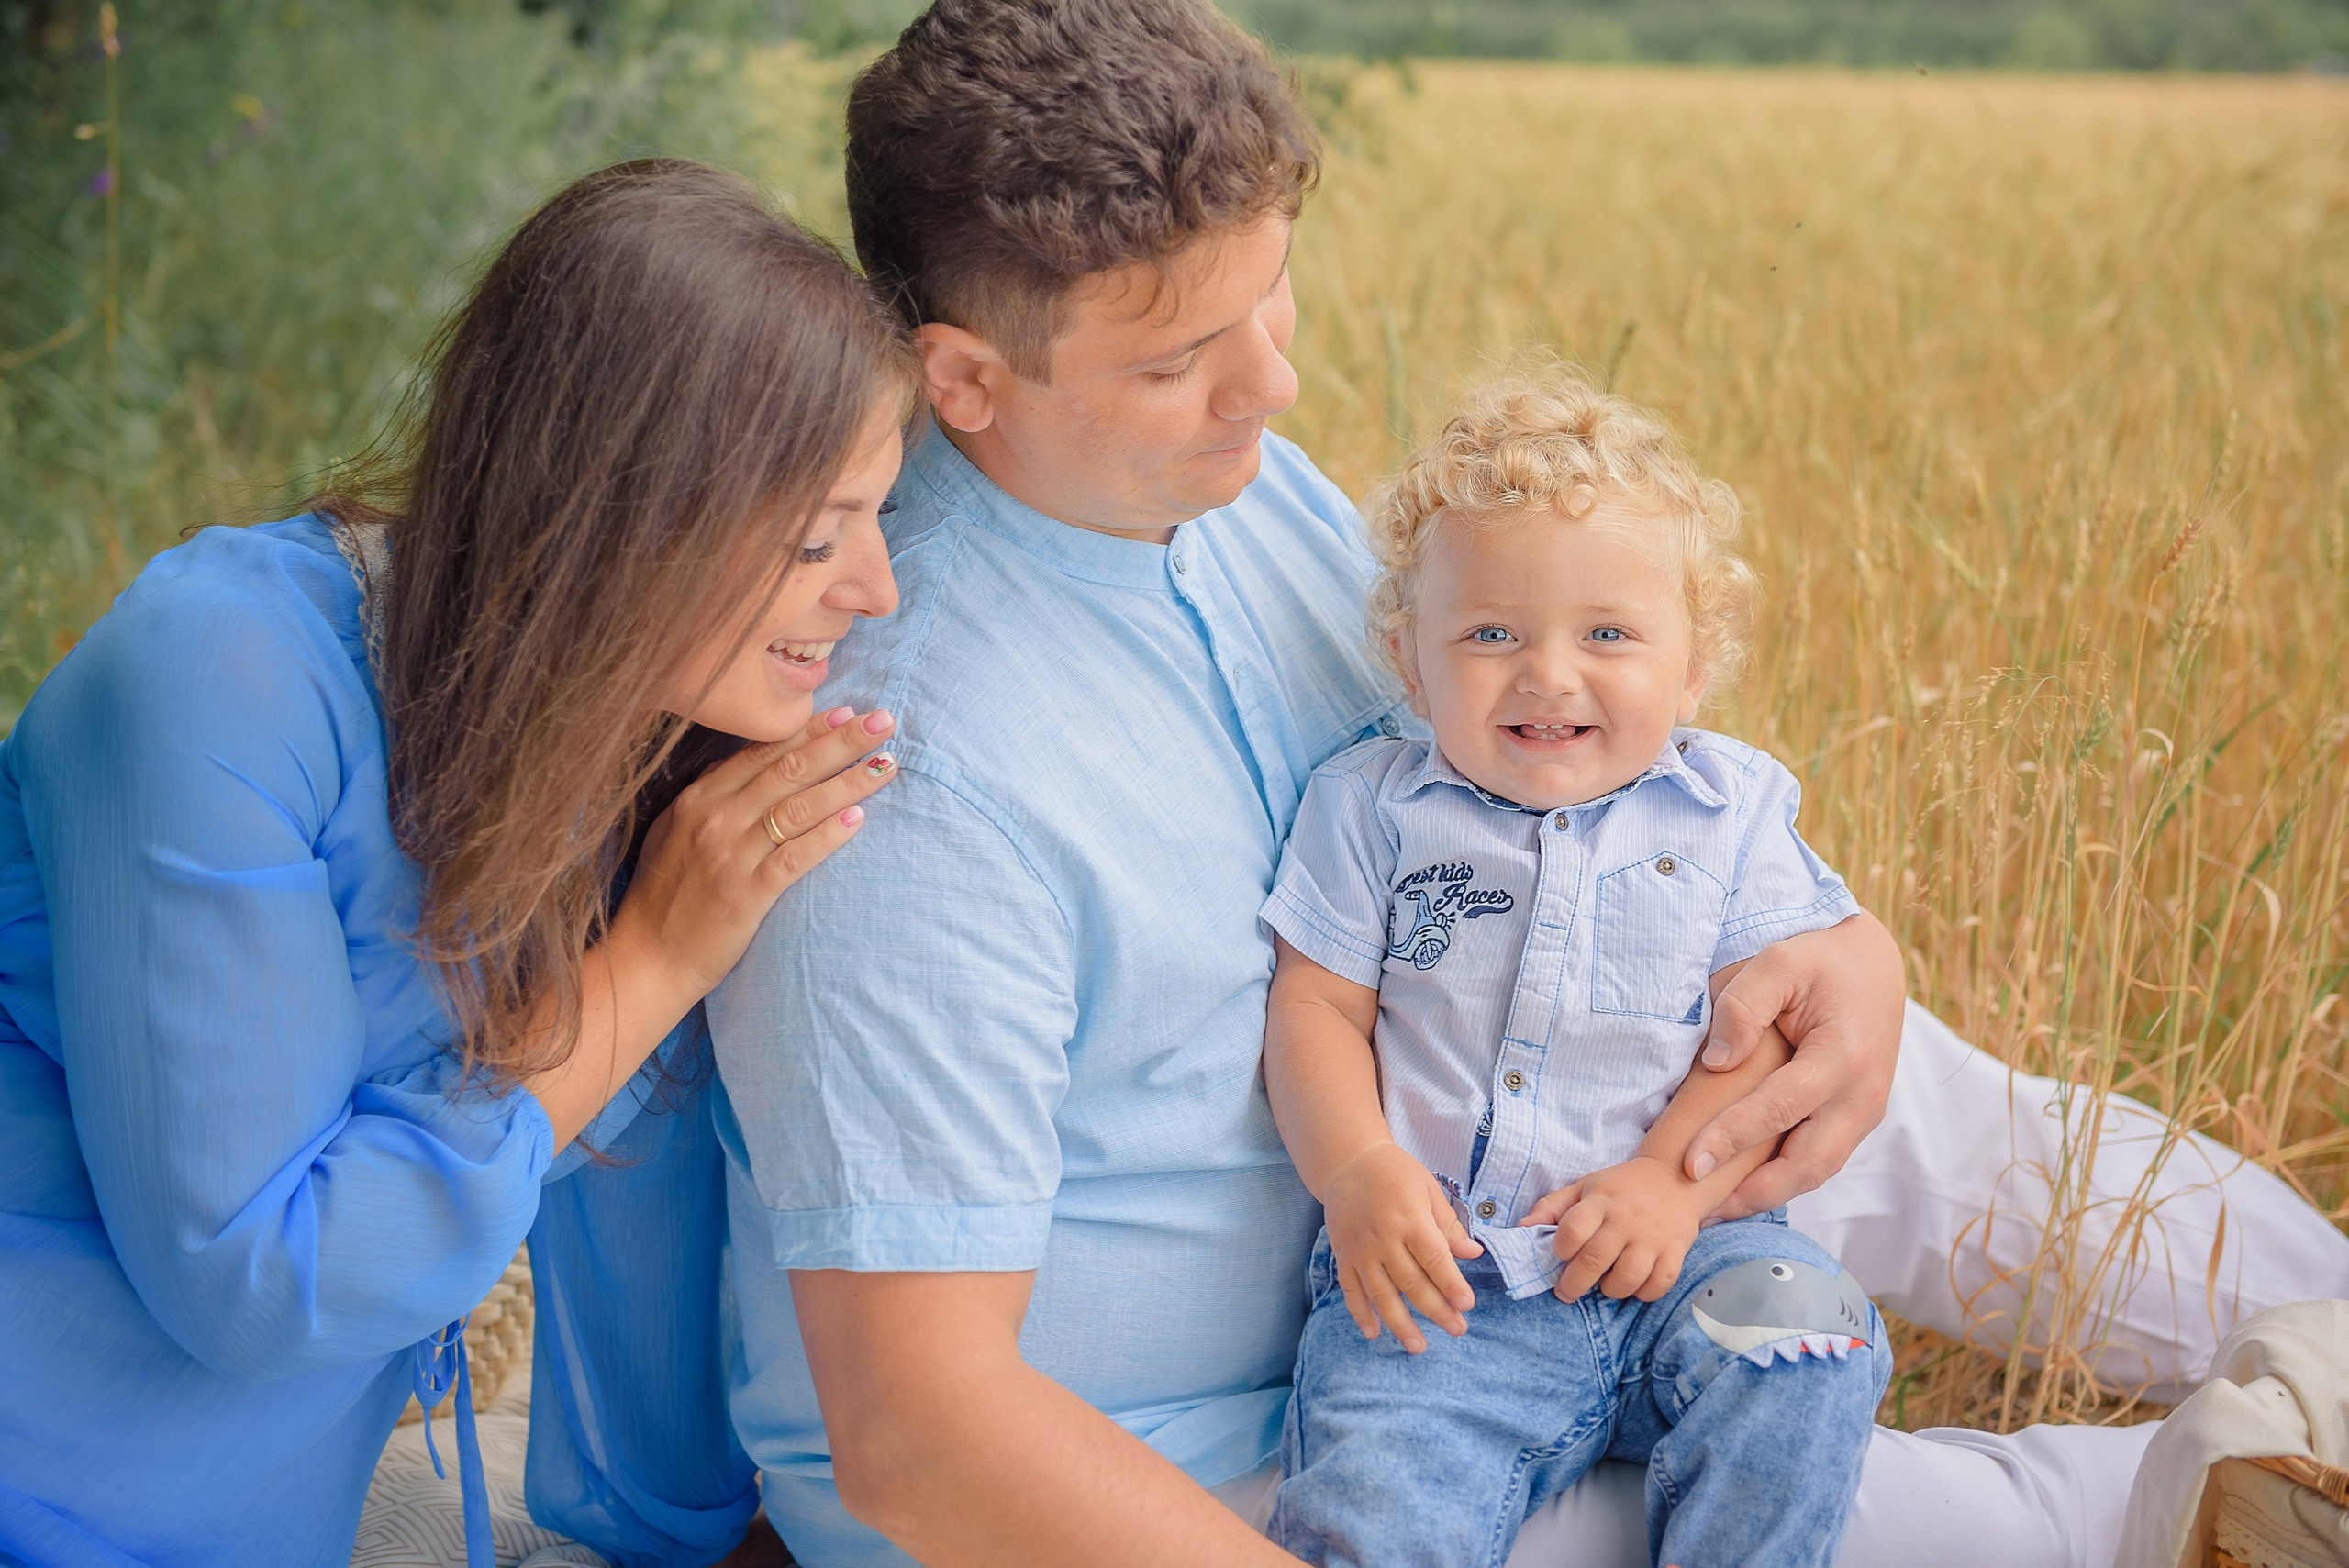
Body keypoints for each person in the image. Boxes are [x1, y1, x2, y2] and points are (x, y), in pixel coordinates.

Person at [533, 7, 2349, 1567]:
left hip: (1523, 1117)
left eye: (1273, 299)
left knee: (1935, 1111)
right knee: (1969, 1530)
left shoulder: (1212, 478)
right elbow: (916, 1443)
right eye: (1182, 358)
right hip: (1271, 1444)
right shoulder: (905, 794)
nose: (1276, 384)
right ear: (967, 380)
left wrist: (1841, 949)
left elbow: (1546, 765)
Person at [0, 160, 911, 1568]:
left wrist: (694, 1540)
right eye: (812, 537)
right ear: (621, 512)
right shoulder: (218, 679)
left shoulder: (639, 744)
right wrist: (657, 958)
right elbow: (258, 1280)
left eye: (879, 518)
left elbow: (631, 1206)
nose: (874, 591)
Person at [1260, 372, 1885, 1568]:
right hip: (1446, 1283)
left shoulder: (1730, 805)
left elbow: (1757, 1031)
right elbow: (1317, 1007)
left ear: (1694, 664)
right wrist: (1358, 1168)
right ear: (1410, 658)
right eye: (1491, 632)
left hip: (1683, 1252)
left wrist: (1673, 1180)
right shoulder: (1372, 810)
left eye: (1607, 633)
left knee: (1810, 1335)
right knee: (1376, 1508)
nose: (1548, 672)